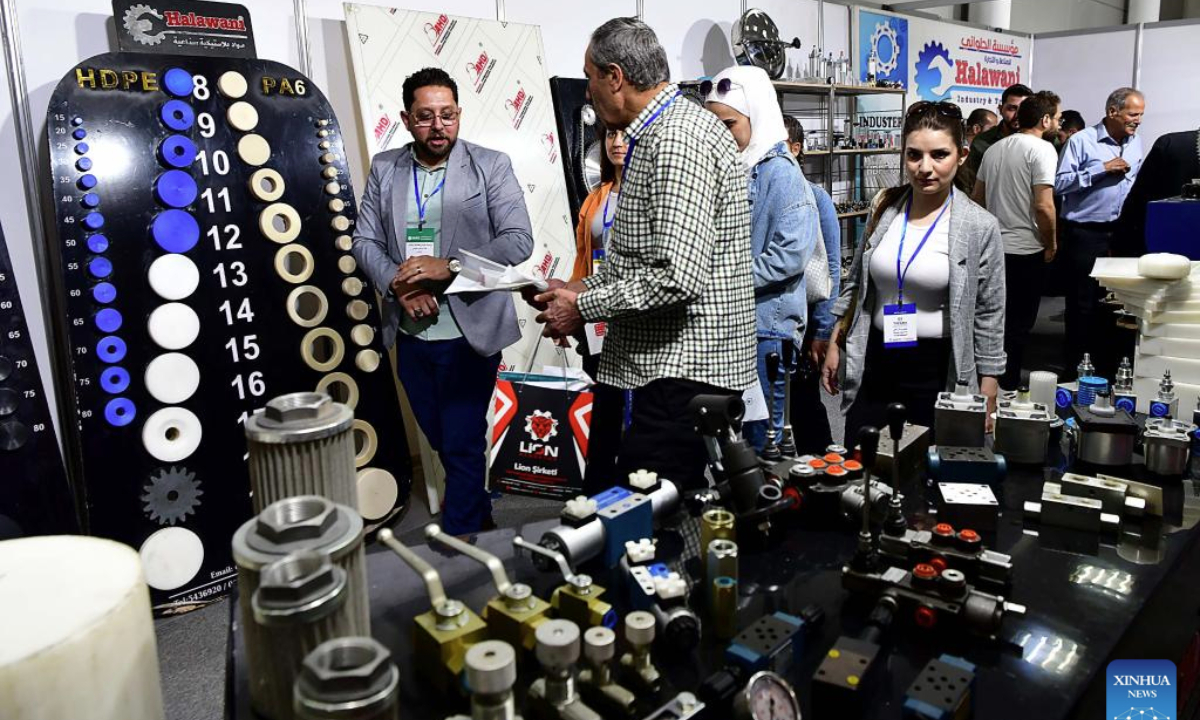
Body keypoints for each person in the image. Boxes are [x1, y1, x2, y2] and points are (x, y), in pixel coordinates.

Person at [533, 17, 755, 490]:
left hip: (685, 373)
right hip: (671, 367)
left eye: (591, 78)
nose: (589, 92)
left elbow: (678, 276)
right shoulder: (658, 134)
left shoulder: (676, 140)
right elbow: (641, 258)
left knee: (652, 511)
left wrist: (582, 307)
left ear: (615, 77)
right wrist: (576, 286)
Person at [353, 67, 533, 534]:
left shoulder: (490, 164)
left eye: (447, 115)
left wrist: (447, 265)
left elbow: (517, 241)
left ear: (459, 114)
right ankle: (484, 522)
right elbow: (363, 241)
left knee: (460, 441)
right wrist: (399, 283)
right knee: (442, 438)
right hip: (410, 333)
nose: (439, 126)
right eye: (426, 116)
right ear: (406, 119)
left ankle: (460, 549)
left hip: (469, 331)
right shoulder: (386, 167)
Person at [821, 101, 1006, 443]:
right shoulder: (885, 206)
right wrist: (835, 340)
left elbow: (990, 312)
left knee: (925, 473)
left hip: (936, 368)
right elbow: (857, 283)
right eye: (914, 155)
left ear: (961, 155)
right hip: (877, 360)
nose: (925, 168)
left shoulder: (979, 226)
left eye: (939, 155)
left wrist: (989, 386)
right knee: (865, 462)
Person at [704, 66, 817, 454]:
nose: (720, 134)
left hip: (767, 331)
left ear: (758, 113)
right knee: (739, 441)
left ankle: (775, 514)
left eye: (729, 123)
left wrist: (725, 280)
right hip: (738, 326)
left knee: (766, 440)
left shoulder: (780, 173)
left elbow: (790, 256)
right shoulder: (739, 168)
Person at [972, 91, 1061, 391]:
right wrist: (1050, 243)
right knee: (1019, 325)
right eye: (1057, 118)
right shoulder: (1043, 150)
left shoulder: (993, 150)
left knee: (992, 319)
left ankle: (987, 382)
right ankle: (1007, 385)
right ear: (1045, 118)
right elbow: (1044, 206)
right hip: (1026, 250)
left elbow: (977, 200)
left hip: (994, 248)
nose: (1058, 124)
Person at [1055, 87, 1145, 376]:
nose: (1138, 120)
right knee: (1083, 305)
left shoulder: (1136, 142)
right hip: (1085, 234)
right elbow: (1060, 184)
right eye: (1133, 114)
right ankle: (1075, 370)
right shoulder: (1081, 142)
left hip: (1120, 235)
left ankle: (1106, 368)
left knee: (1116, 304)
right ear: (1112, 112)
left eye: (1141, 114)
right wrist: (1101, 169)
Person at [570, 121, 628, 494]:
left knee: (636, 410)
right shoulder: (597, 196)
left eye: (624, 135)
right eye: (610, 135)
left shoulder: (650, 189)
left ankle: (634, 483)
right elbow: (583, 260)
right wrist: (571, 306)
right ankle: (600, 487)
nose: (617, 142)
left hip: (632, 313)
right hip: (596, 314)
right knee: (604, 403)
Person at [783, 114, 841, 453]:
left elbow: (828, 268)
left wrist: (822, 330)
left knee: (805, 404)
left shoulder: (816, 198)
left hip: (805, 320)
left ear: (796, 148)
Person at [1118, 127, 1200, 256]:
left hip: (1165, 249)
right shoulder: (1170, 144)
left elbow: (1137, 201)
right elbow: (1138, 201)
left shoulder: (1170, 143)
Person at [963, 83, 1034, 192]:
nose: (1018, 115)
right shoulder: (982, 142)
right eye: (1012, 109)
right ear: (1001, 109)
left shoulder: (1041, 142)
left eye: (1024, 109)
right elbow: (973, 184)